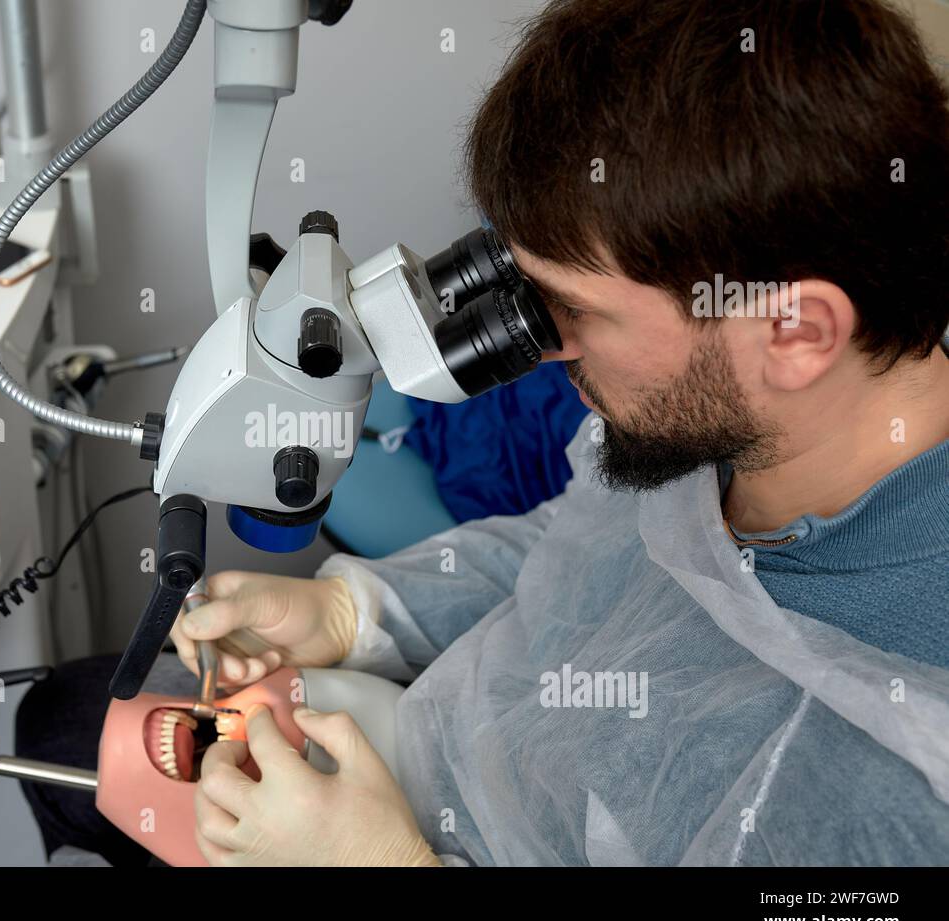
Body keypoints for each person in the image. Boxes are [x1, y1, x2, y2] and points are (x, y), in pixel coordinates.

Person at [168, 0, 949, 866]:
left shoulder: (900, 779)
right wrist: (354, 612)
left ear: (794, 334)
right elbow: (590, 555)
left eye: (576, 309)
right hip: (433, 761)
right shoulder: (722, 428)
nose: (546, 348)